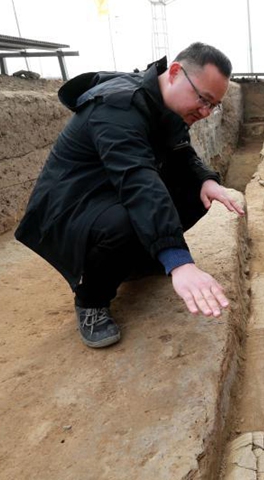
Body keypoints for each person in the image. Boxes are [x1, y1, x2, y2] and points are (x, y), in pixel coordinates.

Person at [15, 42, 244, 348]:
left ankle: (139, 262)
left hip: (110, 191)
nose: (204, 112)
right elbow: (138, 180)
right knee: (124, 221)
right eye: (202, 99)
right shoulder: (116, 107)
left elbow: (180, 152)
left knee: (195, 193)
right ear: (175, 73)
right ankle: (91, 301)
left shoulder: (164, 105)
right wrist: (179, 260)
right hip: (70, 207)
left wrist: (206, 180)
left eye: (212, 105)